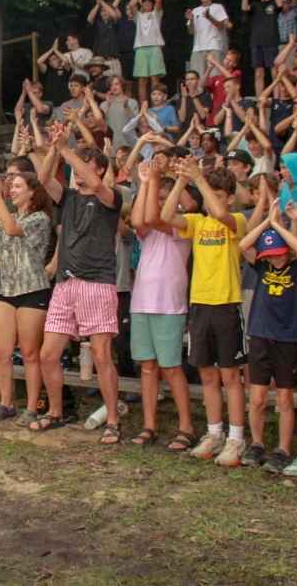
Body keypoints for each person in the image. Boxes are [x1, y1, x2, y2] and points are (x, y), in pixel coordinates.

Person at [33, 134, 123, 439]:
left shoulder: (110, 196)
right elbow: (43, 179)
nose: (78, 169)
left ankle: (112, 419)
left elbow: (96, 186)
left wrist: (65, 150)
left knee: (101, 355)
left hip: (97, 283)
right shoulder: (69, 198)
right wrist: (54, 151)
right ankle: (56, 411)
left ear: (99, 168)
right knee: (48, 354)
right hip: (65, 283)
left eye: (86, 163)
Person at [160, 159, 248, 466]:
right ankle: (214, 433)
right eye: (212, 194)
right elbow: (166, 215)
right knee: (207, 374)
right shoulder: (197, 222)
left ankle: (237, 438)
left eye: (220, 194)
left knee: (230, 376)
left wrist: (200, 179)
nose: (215, 201)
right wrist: (182, 182)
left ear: (230, 196)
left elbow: (222, 214)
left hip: (226, 304)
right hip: (199, 304)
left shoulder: (235, 218)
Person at [128, 160, 196, 449]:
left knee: (171, 367)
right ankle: (149, 424)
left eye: (163, 199)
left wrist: (156, 179)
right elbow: (138, 221)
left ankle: (186, 426)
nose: (156, 203)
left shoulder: (182, 224)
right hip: (142, 301)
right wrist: (145, 182)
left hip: (169, 304)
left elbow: (155, 218)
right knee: (147, 366)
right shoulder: (148, 230)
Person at [0, 172, 52, 425]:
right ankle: (6, 403)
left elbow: (11, 229)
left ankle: (31, 407)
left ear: (32, 191)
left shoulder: (39, 218)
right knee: (1, 351)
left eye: (18, 186)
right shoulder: (8, 214)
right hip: (6, 290)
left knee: (30, 353)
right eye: (11, 186)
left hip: (32, 290)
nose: (13, 190)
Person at [237, 201, 297, 470]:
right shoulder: (262, 268)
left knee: (284, 397)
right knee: (256, 397)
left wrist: (280, 224)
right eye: (272, 254)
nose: (277, 258)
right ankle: (256, 444)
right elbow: (244, 245)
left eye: (280, 253)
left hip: (287, 338)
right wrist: (267, 222)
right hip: (260, 334)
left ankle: (283, 448)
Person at [128, 0, 166, 104]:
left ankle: (156, 104)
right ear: (142, 4)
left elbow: (159, 0)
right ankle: (143, 107)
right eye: (145, 2)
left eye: (150, 2)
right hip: (141, 49)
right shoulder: (138, 16)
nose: (148, 4)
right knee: (142, 80)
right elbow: (131, 4)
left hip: (155, 47)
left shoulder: (156, 14)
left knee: (155, 79)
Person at [242, 0, 281, 95]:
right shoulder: (255, 5)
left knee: (274, 71)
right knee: (259, 72)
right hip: (256, 42)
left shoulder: (273, 5)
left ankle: (276, 98)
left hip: (271, 41)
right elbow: (244, 8)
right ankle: (260, 99)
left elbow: (280, 4)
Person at [187, 0, 232, 77]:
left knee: (214, 77)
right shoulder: (195, 10)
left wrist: (209, 17)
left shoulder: (218, 7)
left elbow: (222, 26)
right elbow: (191, 31)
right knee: (197, 77)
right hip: (197, 48)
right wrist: (190, 20)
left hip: (213, 46)